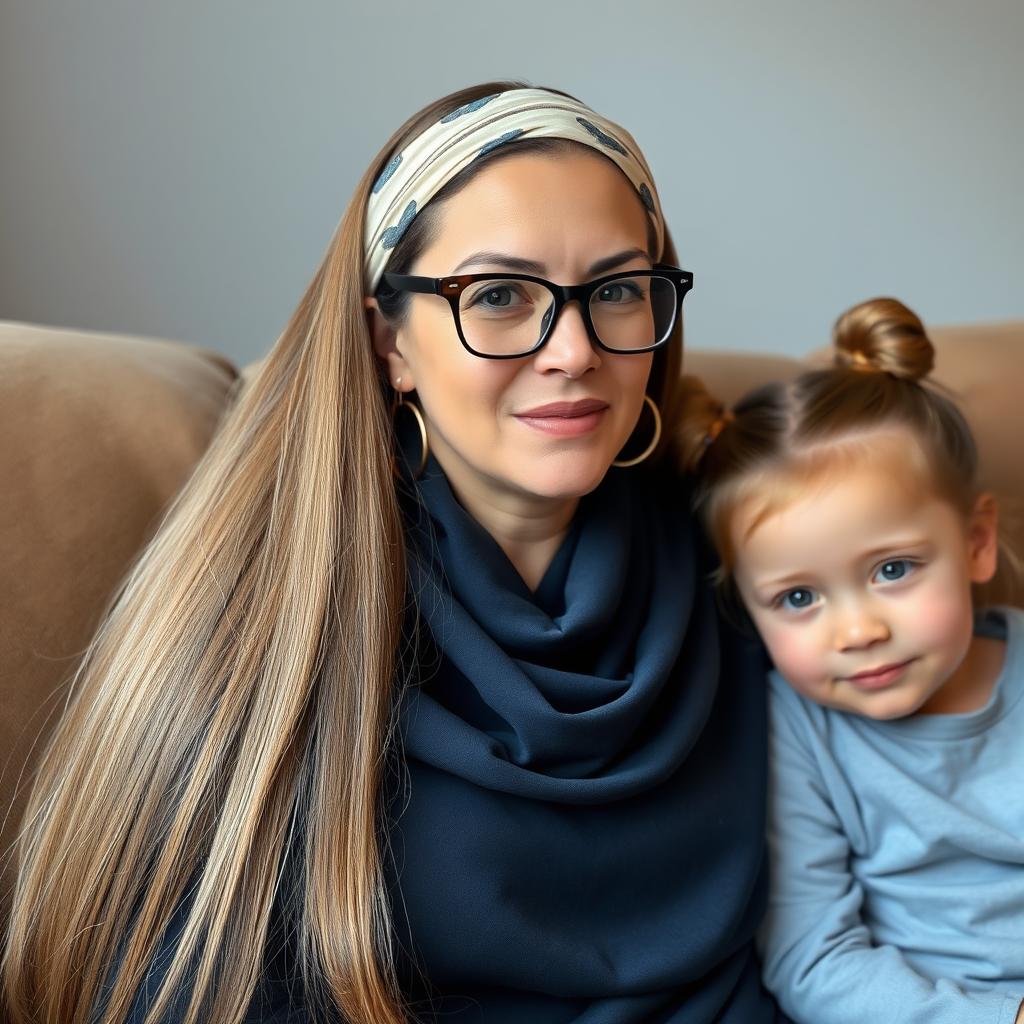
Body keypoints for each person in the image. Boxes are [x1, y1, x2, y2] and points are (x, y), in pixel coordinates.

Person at [2, 82, 787, 1023]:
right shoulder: (267, 611)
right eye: (499, 295)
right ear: (390, 341)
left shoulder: (749, 553)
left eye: (616, 290)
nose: (576, 350)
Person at [679, 297, 1024, 1024]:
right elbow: (815, 959)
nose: (859, 630)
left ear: (976, 543)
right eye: (799, 596)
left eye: (893, 570)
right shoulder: (793, 730)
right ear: (747, 606)